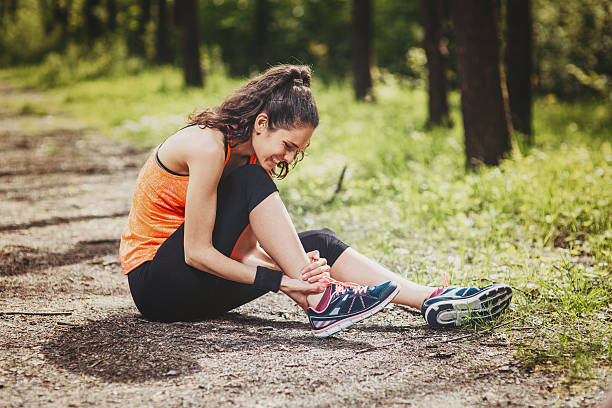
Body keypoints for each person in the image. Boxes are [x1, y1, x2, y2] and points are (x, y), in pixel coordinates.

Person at [119, 64, 512, 338]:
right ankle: (323, 302)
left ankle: (428, 299)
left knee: (319, 243)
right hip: (158, 285)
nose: (289, 158)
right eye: (288, 145)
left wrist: (302, 276)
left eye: (298, 151)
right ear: (261, 124)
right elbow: (198, 254)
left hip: (195, 288)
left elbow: (243, 253)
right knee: (256, 187)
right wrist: (284, 280)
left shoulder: (250, 158)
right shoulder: (208, 146)